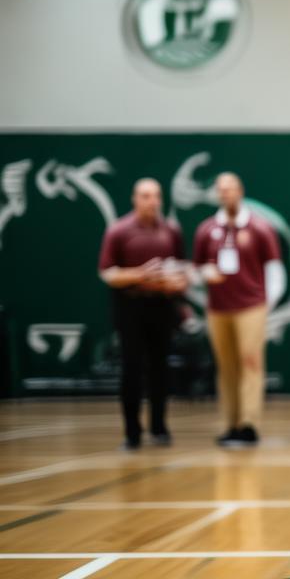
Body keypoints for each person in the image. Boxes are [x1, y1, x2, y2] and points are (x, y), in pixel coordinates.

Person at [193, 172, 284, 448]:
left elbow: (274, 270)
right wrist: (205, 274)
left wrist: (268, 303)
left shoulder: (260, 227)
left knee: (250, 362)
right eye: (221, 190)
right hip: (218, 308)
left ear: (240, 191)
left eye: (230, 189)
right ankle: (230, 424)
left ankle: (249, 423)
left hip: (251, 307)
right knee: (227, 367)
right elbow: (197, 269)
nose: (226, 194)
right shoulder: (207, 230)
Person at [98, 178, 188, 450]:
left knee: (160, 368)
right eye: (146, 196)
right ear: (135, 199)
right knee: (132, 369)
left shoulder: (171, 231)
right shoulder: (119, 231)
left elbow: (181, 268)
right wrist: (140, 274)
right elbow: (108, 272)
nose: (152, 201)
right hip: (131, 307)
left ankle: (159, 427)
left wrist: (178, 282)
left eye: (156, 196)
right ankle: (132, 432)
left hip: (161, 306)